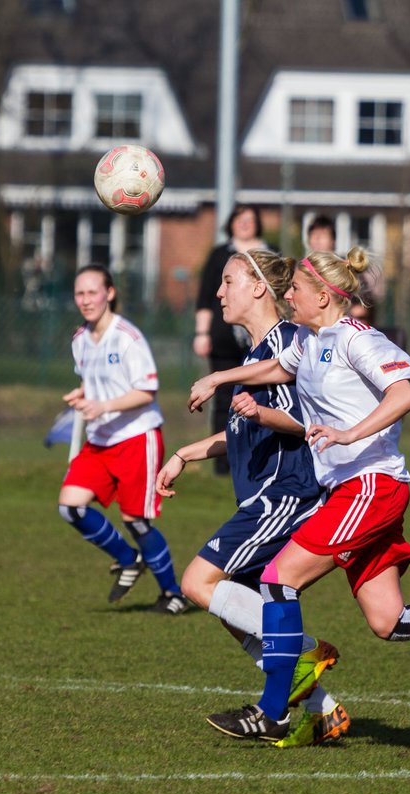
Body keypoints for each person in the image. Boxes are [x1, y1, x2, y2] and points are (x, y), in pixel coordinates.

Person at [189, 247, 410, 743]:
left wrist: (349, 434)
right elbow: (273, 370)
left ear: (324, 295)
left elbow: (405, 394)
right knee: (388, 620)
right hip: (351, 491)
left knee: (277, 579)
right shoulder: (310, 342)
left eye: (296, 289)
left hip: (371, 484)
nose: (287, 295)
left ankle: (274, 712)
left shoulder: (359, 340)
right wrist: (220, 377)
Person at [158, 248, 349, 748]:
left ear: (259, 287)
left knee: (198, 581)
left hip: (288, 494)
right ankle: (320, 708)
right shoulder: (253, 357)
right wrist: (186, 452)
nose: (219, 292)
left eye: (228, 281)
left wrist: (256, 412)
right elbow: (243, 432)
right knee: (228, 609)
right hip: (265, 498)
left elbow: (302, 422)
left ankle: (305, 651)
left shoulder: (285, 344)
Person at [58, 264, 188, 614]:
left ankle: (173, 594)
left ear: (109, 293)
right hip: (100, 439)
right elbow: (94, 380)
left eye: (92, 292)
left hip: (136, 436)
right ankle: (128, 559)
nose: (85, 300)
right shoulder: (79, 340)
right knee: (70, 506)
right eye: (79, 293)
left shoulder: (127, 337)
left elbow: (146, 390)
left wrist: (104, 405)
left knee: (136, 520)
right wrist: (82, 394)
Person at [195, 204, 270, 474]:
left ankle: (259, 458)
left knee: (259, 398)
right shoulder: (220, 255)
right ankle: (223, 464)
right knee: (226, 398)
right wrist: (202, 332)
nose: (245, 224)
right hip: (225, 339)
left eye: (250, 219)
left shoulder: (268, 253)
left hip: (256, 340)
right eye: (240, 219)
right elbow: (205, 296)